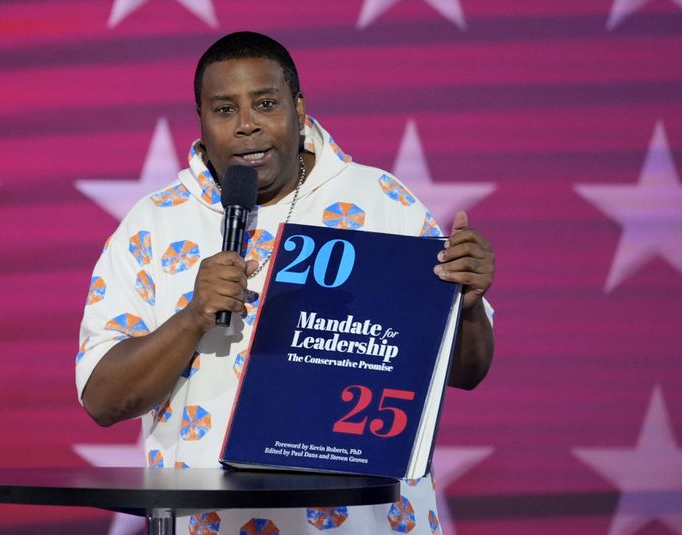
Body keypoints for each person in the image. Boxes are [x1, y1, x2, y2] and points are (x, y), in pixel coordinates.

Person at [76, 31, 494, 534]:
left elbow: (466, 372)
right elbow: (102, 399)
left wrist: (468, 305)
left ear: (299, 109)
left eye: (266, 103)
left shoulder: (384, 202)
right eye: (225, 110)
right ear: (202, 122)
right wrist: (191, 320)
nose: (247, 125)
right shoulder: (153, 224)